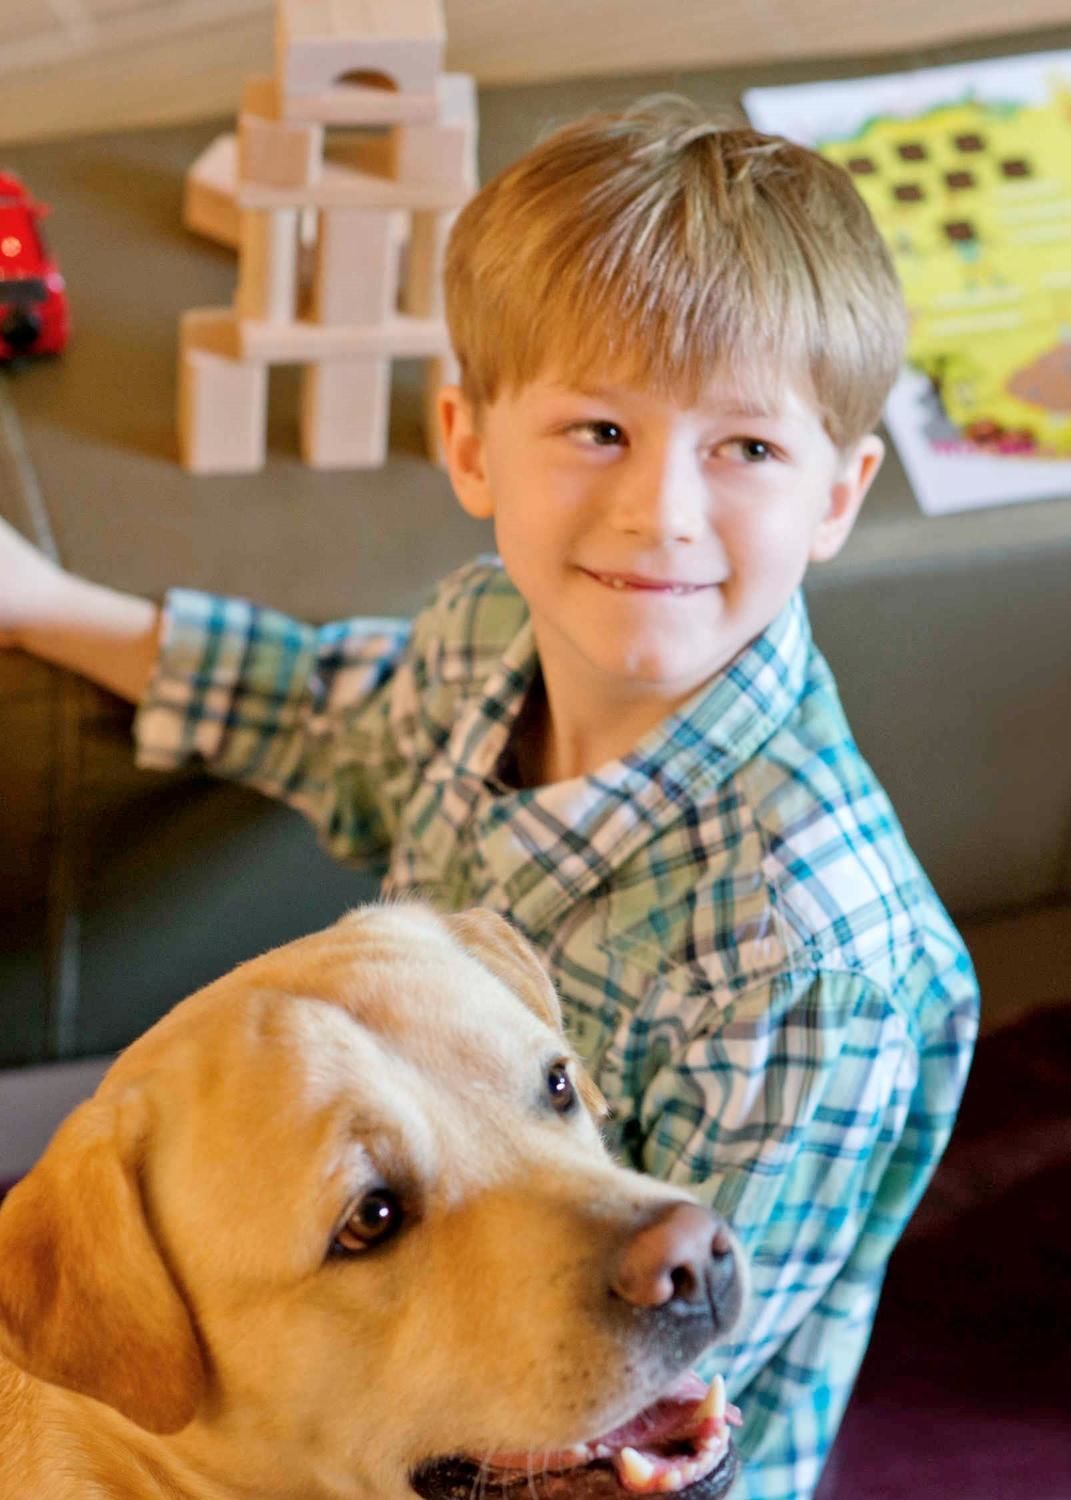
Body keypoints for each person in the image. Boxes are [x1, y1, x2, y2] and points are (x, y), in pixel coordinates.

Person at [0, 95, 978, 1500]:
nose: (662, 512)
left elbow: (681, 1343)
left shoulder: (812, 961)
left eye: (747, 449)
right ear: (468, 445)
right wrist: (47, 605)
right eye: (599, 429)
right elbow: (327, 712)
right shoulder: (483, 635)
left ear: (839, 495)